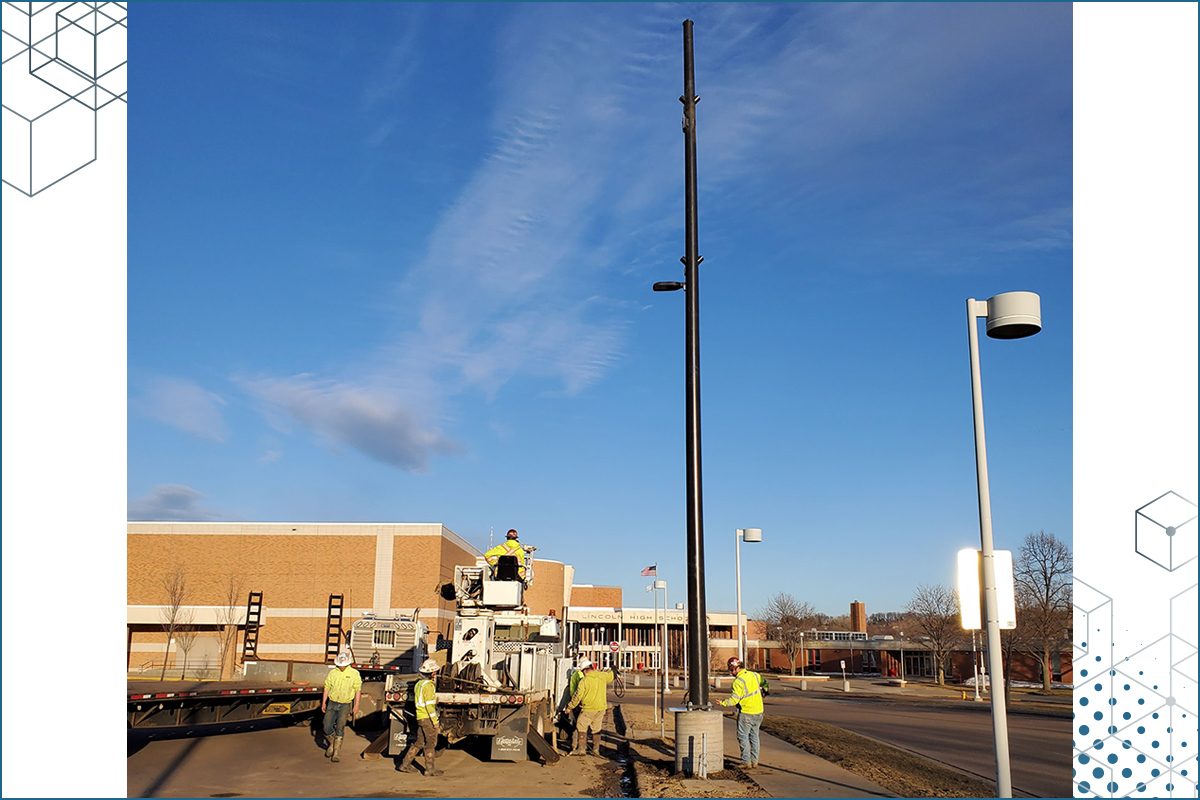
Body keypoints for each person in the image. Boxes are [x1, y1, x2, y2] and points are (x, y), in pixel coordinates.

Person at [720, 656, 765, 770]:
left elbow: (734, 699)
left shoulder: (737, 682)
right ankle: (754, 761)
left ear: (736, 669)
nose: (731, 673)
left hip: (746, 712)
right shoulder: (754, 675)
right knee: (754, 736)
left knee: (743, 737)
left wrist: (723, 703)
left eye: (731, 670)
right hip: (759, 711)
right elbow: (763, 682)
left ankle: (746, 761)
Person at [398, 659, 441, 776]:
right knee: (430, 744)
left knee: (419, 742)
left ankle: (405, 765)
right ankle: (430, 769)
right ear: (432, 673)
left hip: (420, 717)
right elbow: (430, 706)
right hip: (427, 718)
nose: (436, 673)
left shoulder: (418, 684)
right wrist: (435, 722)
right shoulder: (429, 686)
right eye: (435, 671)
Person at [562, 659, 614, 756]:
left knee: (580, 725)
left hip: (588, 709)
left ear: (585, 670)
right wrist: (613, 670)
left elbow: (577, 696)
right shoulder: (602, 676)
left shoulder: (584, 681)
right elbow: (611, 676)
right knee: (597, 728)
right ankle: (595, 750)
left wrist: (569, 707)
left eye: (582, 671)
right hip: (601, 708)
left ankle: (581, 750)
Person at [321, 650, 362, 763]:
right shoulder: (333, 673)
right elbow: (327, 687)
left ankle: (336, 752)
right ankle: (332, 743)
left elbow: (358, 690)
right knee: (326, 725)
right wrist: (324, 702)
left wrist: (356, 705)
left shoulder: (354, 674)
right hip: (332, 702)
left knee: (340, 726)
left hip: (345, 704)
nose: (341, 667)